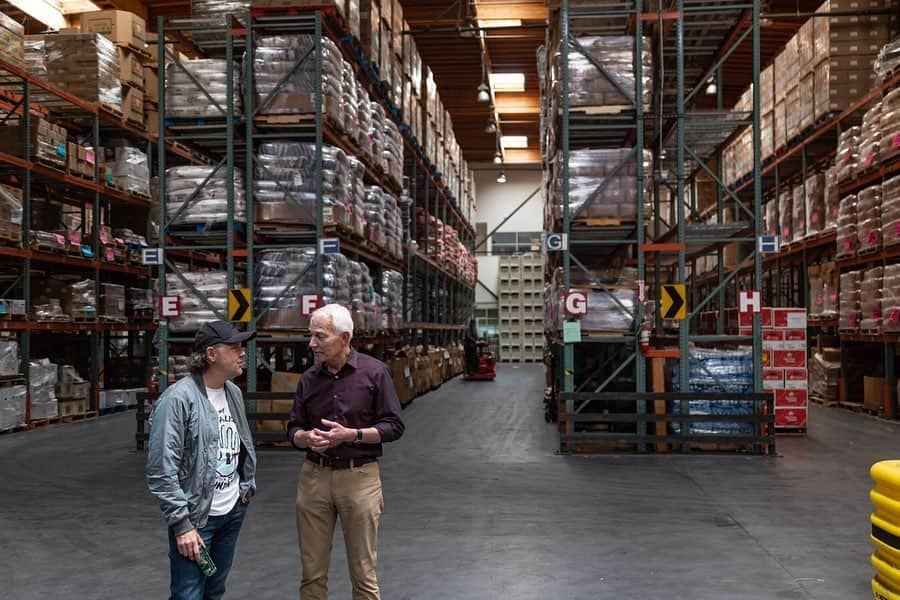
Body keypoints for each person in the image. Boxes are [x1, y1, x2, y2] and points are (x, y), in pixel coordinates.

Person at [287, 303, 405, 600]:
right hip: (314, 477)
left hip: (359, 477)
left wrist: (351, 435)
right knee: (311, 574)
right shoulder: (309, 379)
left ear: (344, 337)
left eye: (320, 336)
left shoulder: (374, 373)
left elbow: (394, 426)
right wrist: (305, 437)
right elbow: (292, 428)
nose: (312, 344)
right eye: (311, 336)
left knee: (363, 573)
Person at [147, 320, 258, 600]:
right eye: (234, 347)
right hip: (197, 520)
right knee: (188, 594)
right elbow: (161, 471)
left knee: (215, 590)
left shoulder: (233, 392)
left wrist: (245, 489)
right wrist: (182, 525)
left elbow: (242, 444)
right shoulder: (177, 400)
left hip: (231, 511)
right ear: (211, 354)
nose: (242, 352)